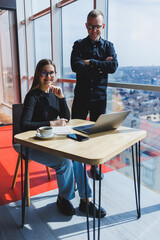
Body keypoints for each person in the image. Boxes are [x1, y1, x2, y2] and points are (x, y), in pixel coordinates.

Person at [20, 58, 106, 218]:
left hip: (53, 142)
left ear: (55, 74)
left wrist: (61, 98)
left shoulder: (54, 93)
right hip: (33, 145)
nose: (48, 76)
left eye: (51, 73)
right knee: (64, 162)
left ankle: (85, 201)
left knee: (78, 158)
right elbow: (24, 124)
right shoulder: (32, 96)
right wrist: (52, 123)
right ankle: (63, 198)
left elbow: (67, 118)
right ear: (38, 75)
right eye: (44, 72)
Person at [71, 9, 118, 180]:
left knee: (98, 135)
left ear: (102, 26)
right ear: (86, 26)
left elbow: (113, 67)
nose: (93, 30)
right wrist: (99, 69)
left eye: (97, 27)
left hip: (99, 97)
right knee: (77, 134)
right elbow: (76, 65)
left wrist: (91, 62)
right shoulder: (78, 44)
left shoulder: (108, 46)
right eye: (90, 27)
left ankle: (95, 167)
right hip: (81, 97)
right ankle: (77, 168)